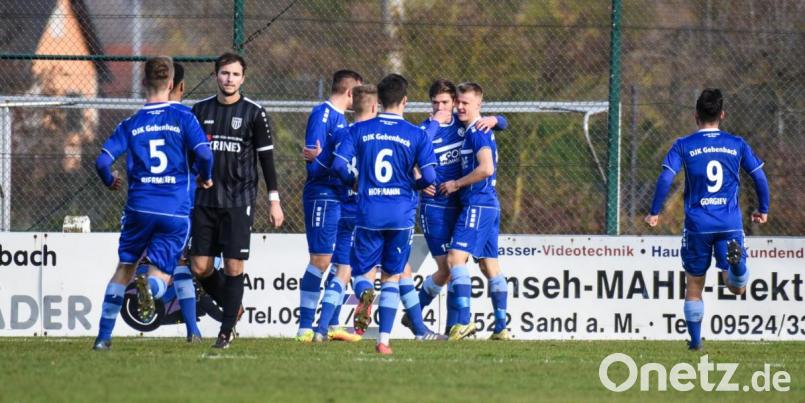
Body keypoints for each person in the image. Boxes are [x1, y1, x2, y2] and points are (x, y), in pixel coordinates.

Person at [92, 56, 213, 350]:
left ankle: (103, 339)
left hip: (139, 207)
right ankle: (153, 289)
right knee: (166, 271)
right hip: (174, 208)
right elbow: (206, 156)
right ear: (171, 84)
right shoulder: (184, 117)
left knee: (124, 268)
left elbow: (102, 161)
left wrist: (110, 181)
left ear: (145, 83)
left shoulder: (131, 123)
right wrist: (205, 178)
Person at [645, 88, 769, 351]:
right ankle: (736, 267)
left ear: (695, 116)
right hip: (729, 223)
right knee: (736, 288)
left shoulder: (684, 145)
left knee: (694, 284)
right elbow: (759, 176)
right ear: (722, 115)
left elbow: (666, 177)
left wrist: (655, 211)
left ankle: (696, 341)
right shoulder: (737, 144)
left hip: (698, 224)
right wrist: (763, 208)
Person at [332, 74, 437, 354]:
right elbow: (430, 176)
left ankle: (365, 290)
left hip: (369, 211)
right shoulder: (417, 134)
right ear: (404, 101)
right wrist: (413, 185)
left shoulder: (360, 131)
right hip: (401, 213)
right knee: (392, 276)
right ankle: (384, 342)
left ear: (378, 101)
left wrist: (354, 181)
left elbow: (339, 166)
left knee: (361, 272)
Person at [190, 52, 284, 349]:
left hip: (238, 200)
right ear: (215, 75)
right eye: (224, 73)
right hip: (204, 200)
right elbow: (190, 156)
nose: (229, 79)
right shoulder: (199, 109)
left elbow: (267, 160)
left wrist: (274, 200)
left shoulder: (255, 113)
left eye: (234, 74)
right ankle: (233, 307)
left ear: (243, 78)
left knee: (233, 265)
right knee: (199, 267)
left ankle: (225, 330)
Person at [401, 79, 507, 338]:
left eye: (446, 102)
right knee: (449, 268)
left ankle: (453, 326)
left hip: (460, 203)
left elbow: (495, 124)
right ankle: (419, 316)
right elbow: (410, 156)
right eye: (435, 103)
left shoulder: (466, 127)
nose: (442, 107)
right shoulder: (426, 128)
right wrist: (419, 179)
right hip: (435, 207)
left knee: (455, 265)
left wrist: (496, 119)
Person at [296, 70, 363, 341]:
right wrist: (349, 176)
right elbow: (314, 164)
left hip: (342, 197)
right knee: (321, 260)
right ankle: (304, 328)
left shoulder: (342, 120)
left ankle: (332, 324)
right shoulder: (323, 114)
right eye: (357, 94)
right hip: (323, 194)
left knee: (342, 263)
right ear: (349, 92)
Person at [439, 82, 509, 341]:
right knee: (490, 266)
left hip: (478, 203)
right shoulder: (475, 128)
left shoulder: (477, 132)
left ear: (479, 104)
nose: (459, 107)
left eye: (465, 103)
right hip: (488, 203)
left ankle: (465, 322)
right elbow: (502, 123)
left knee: (455, 260)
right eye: (458, 101)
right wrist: (498, 120)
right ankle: (501, 326)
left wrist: (456, 184)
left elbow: (486, 168)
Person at [307, 84, 377, 343]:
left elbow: (336, 164)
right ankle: (364, 291)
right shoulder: (376, 135)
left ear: (353, 103)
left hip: (344, 207)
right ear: (373, 107)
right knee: (360, 271)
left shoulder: (347, 132)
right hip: (370, 210)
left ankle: (322, 328)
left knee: (341, 269)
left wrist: (350, 179)